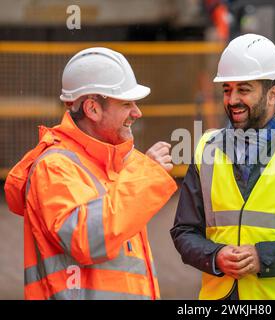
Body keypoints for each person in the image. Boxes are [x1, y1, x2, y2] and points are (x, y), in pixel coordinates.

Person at [170, 33, 275, 300]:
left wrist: (264, 258)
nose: (232, 99)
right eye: (227, 89)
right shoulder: (207, 149)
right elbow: (184, 231)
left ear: (272, 94)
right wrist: (215, 256)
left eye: (243, 89)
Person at [4, 47, 177, 300]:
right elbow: (85, 239)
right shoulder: (54, 167)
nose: (137, 113)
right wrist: (145, 176)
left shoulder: (115, 164)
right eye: (126, 103)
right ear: (92, 109)